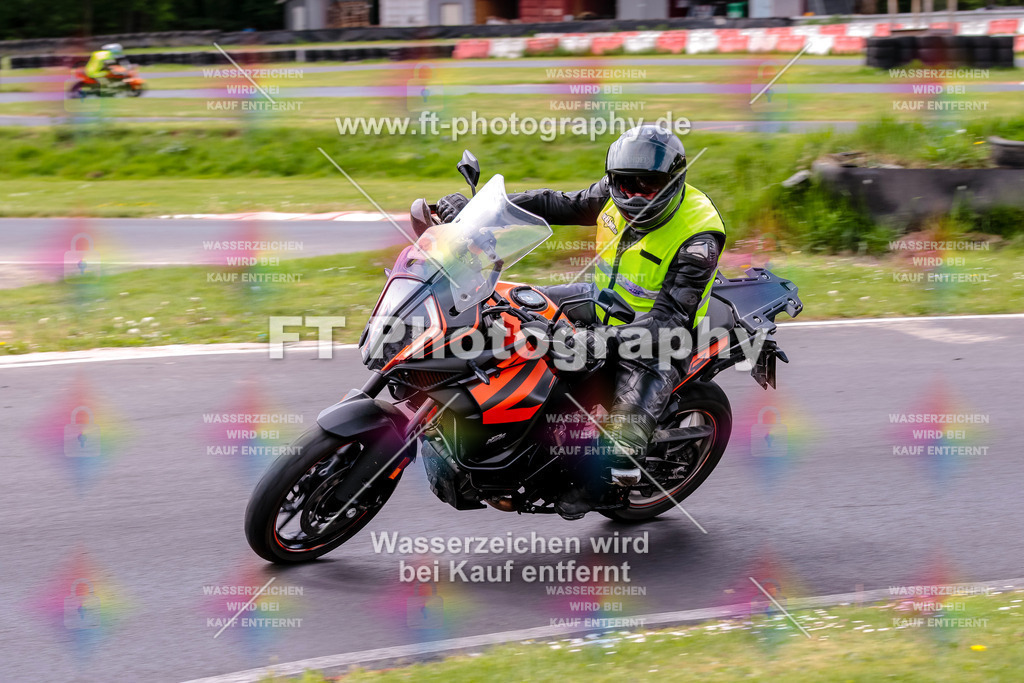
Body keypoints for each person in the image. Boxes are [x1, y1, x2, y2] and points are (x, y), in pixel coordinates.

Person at [436, 125, 726, 518]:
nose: (636, 194)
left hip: (656, 340)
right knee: (504, 303)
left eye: (650, 185)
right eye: (627, 184)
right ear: (613, 181)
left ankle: (598, 488)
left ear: (674, 181)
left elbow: (670, 323)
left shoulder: (699, 236)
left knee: (620, 446)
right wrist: (476, 217)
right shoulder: (611, 194)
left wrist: (595, 342)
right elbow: (555, 204)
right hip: (598, 301)